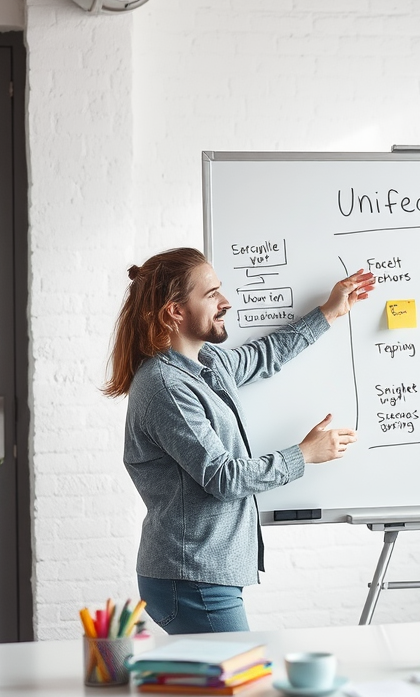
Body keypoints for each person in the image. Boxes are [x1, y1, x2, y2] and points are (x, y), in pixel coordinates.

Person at [103, 247, 374, 634]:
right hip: (191, 577)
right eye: (211, 294)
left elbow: (266, 354)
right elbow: (222, 477)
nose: (225, 302)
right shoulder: (165, 386)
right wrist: (304, 455)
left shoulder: (209, 364)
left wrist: (329, 312)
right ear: (175, 311)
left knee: (220, 689)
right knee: (238, 689)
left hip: (204, 571)